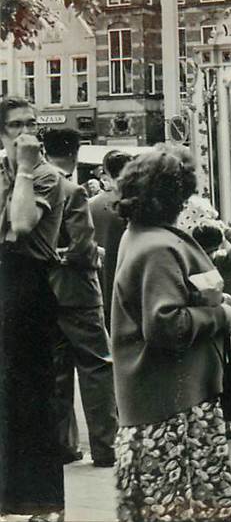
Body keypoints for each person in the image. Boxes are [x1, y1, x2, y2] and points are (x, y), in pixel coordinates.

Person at [111, 146, 231, 522]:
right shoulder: (160, 249)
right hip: (173, 409)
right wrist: (219, 315)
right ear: (173, 197)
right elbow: (166, 324)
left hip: (159, 403)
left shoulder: (140, 237)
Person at [0, 97, 67, 520]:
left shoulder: (43, 174)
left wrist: (22, 169)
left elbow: (20, 225)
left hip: (28, 287)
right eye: (15, 126)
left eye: (32, 124)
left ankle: (43, 504)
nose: (26, 133)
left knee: (33, 396)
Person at [42, 128, 119, 469]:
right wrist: (97, 255)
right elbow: (83, 248)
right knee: (96, 368)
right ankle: (106, 447)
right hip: (78, 292)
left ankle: (63, 446)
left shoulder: (28, 188)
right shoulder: (71, 191)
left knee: (57, 372)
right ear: (74, 154)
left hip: (45, 292)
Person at [190, 220, 231, 440]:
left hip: (205, 324)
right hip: (226, 322)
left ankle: (210, 421)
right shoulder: (221, 259)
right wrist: (229, 228)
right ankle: (225, 423)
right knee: (227, 373)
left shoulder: (193, 262)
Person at [90, 150, 132, 327]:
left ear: (106, 172)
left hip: (101, 285)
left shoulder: (90, 206)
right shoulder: (141, 204)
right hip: (134, 285)